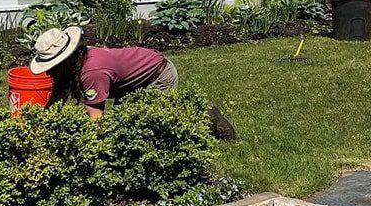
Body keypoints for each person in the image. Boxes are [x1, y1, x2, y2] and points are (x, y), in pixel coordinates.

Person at [29, 27, 236, 139]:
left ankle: (205, 116)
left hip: (157, 75)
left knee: (151, 128)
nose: (49, 71)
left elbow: (97, 123)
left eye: (52, 66)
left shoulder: (91, 73)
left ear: (65, 60)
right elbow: (58, 96)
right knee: (125, 122)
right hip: (132, 82)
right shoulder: (78, 61)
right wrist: (39, 124)